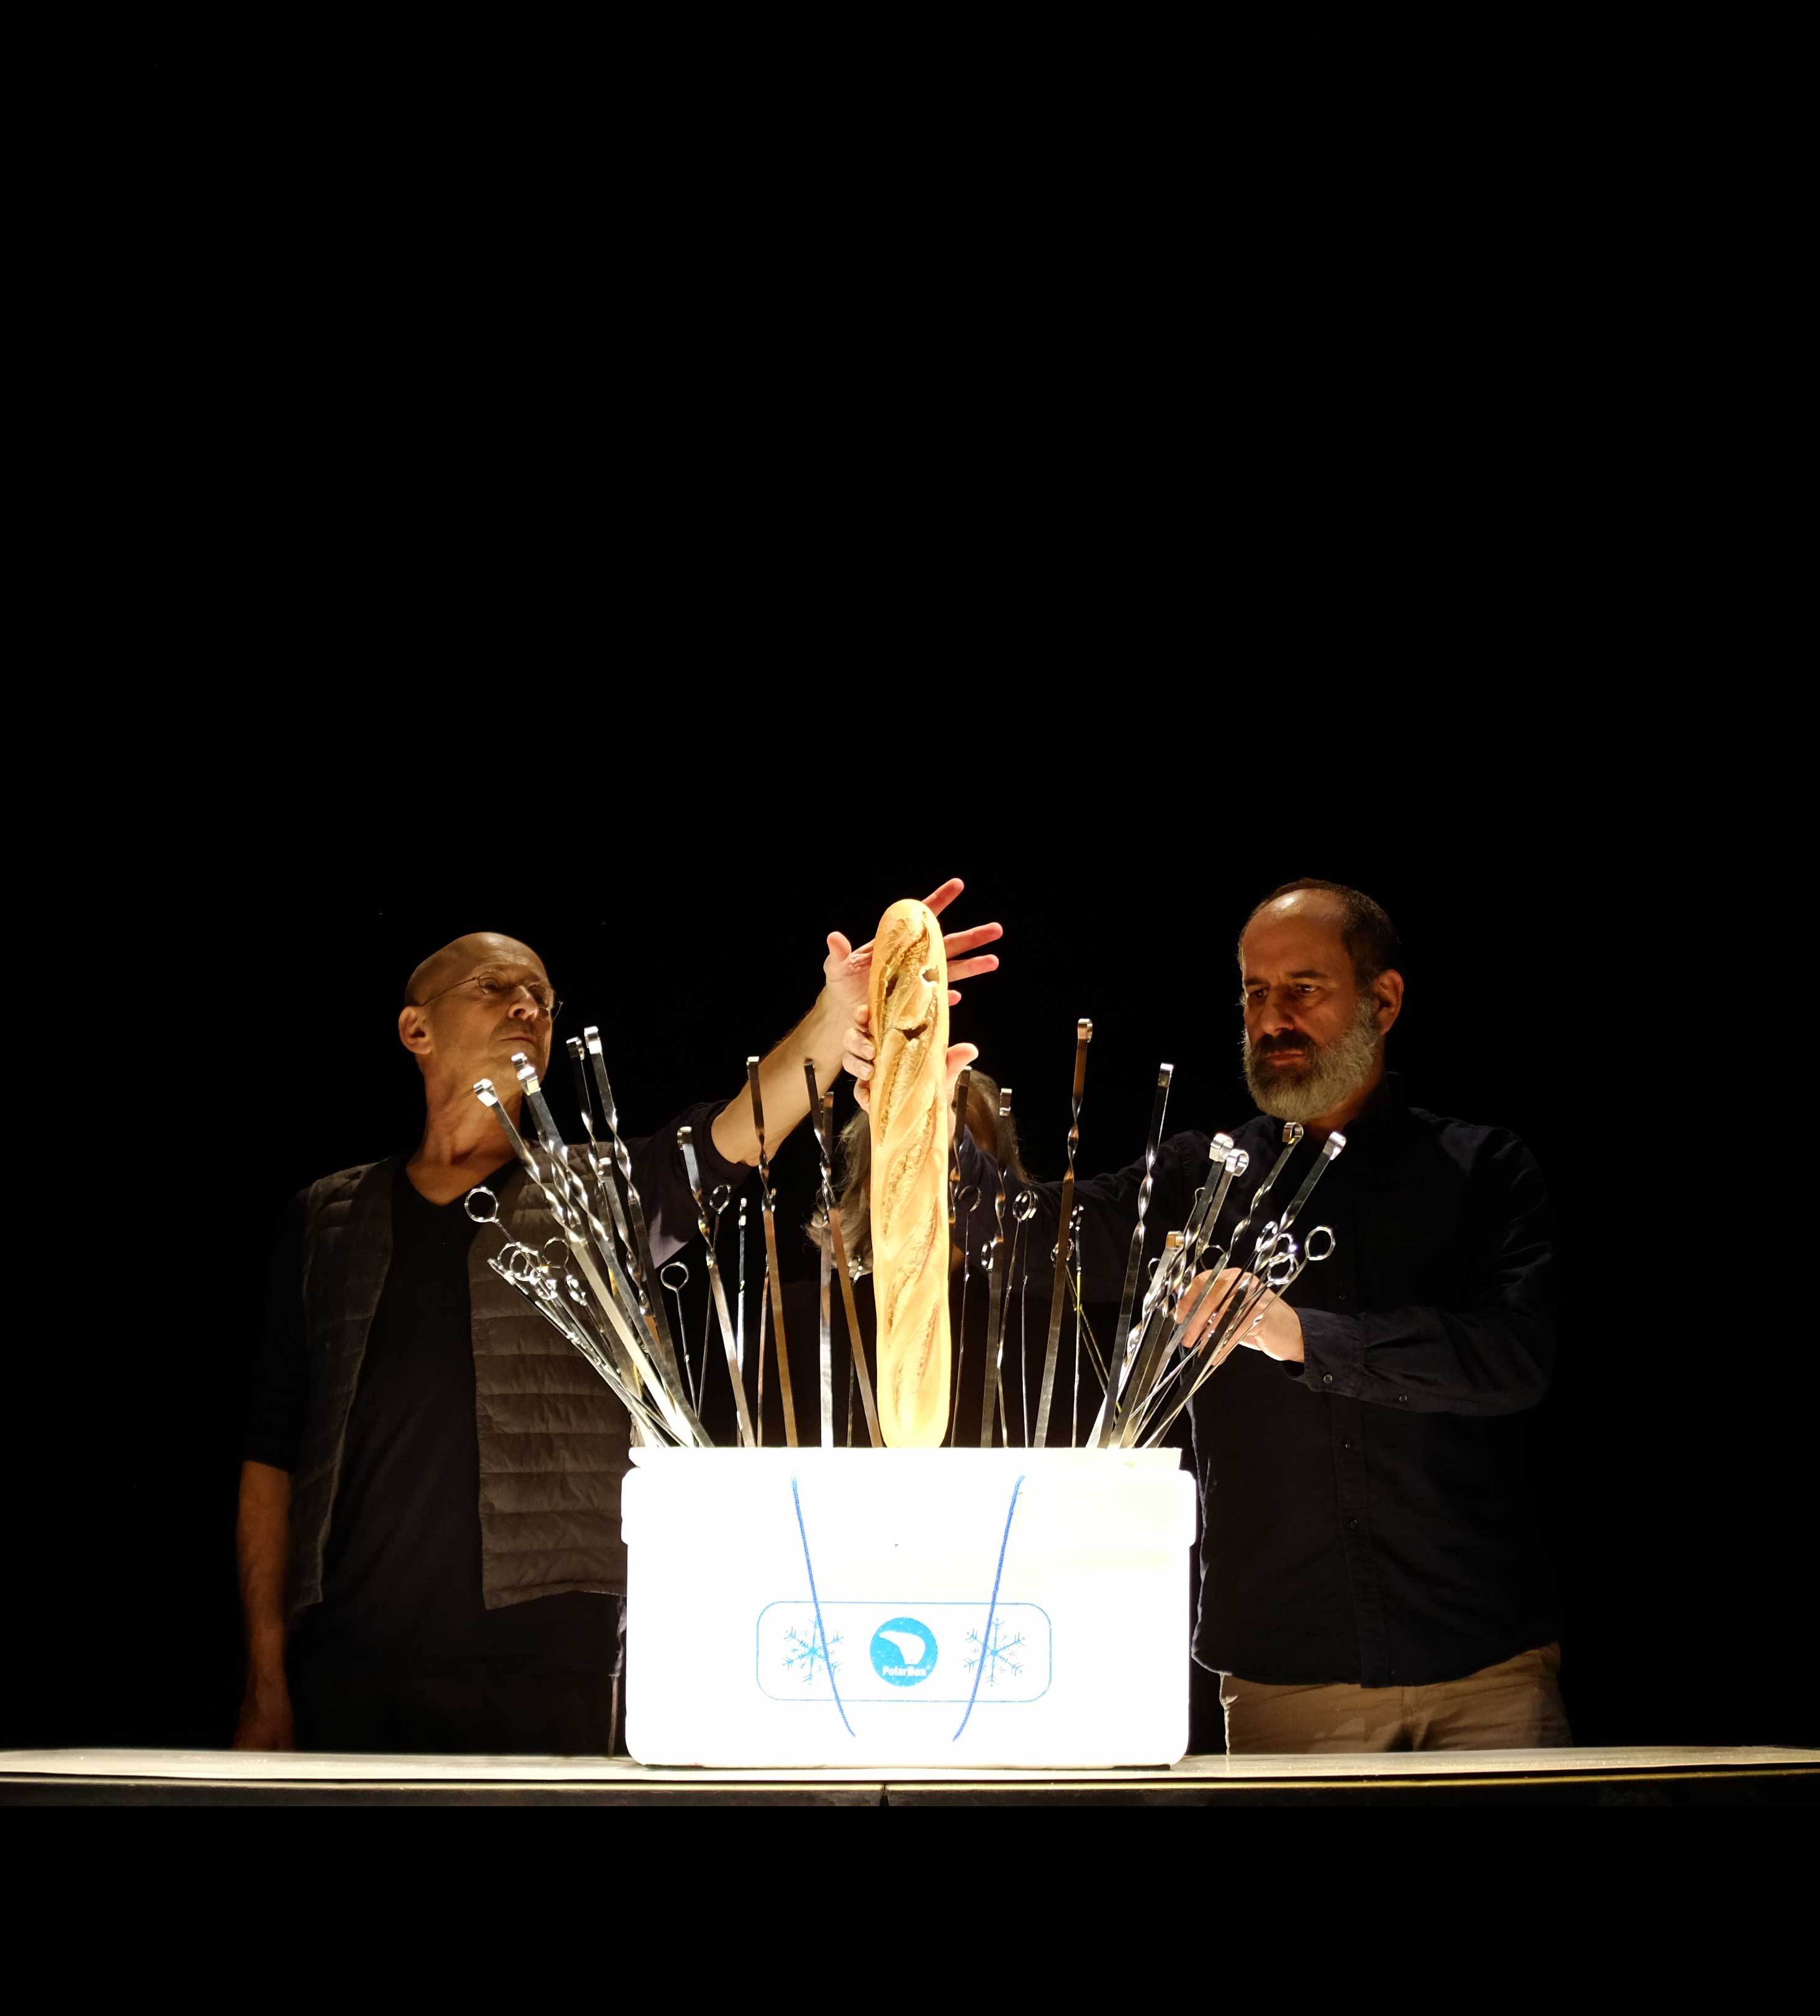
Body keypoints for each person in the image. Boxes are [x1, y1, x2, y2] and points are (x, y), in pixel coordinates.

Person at [236, 884, 1001, 1756]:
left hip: (547, 1667)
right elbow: (273, 1455)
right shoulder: (327, 1217)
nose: (527, 1007)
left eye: (542, 998)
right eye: (494, 987)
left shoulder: (601, 1193)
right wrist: (265, 1676)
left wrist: (835, 1016)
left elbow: (742, 1131)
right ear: (417, 1030)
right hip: (348, 1664)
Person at [844, 879, 1567, 1755]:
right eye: (1254, 994)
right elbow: (1027, 1238)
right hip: (1290, 1682)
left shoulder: (1482, 1170)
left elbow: (1512, 1359)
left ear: (1383, 1000)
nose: (1272, 1019)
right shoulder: (1201, 1178)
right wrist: (916, 1109)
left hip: (1487, 1673)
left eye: (1303, 988)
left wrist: (1300, 1335)